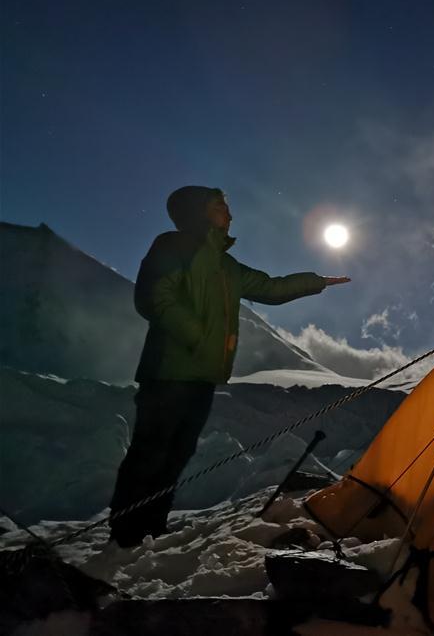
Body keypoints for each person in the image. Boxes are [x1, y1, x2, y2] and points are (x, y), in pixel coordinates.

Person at [108, 186, 350, 547]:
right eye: (220, 207)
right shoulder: (172, 246)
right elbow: (154, 297)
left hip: (203, 376)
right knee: (151, 450)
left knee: (177, 453)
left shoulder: (228, 266)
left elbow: (270, 288)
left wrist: (317, 282)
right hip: (168, 369)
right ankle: (125, 532)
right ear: (197, 212)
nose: (229, 215)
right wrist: (196, 335)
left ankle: (152, 527)